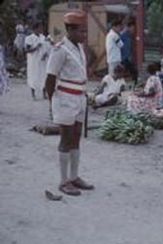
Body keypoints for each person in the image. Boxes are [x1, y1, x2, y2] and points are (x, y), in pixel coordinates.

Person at [45, 11, 94, 196]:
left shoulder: (79, 47)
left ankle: (74, 177)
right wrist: (52, 103)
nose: (84, 34)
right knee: (65, 139)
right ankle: (63, 181)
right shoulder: (60, 50)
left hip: (79, 98)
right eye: (82, 31)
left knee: (76, 138)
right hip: (65, 99)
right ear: (70, 30)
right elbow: (50, 79)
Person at [25, 22, 50, 100]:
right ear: (35, 29)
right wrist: (36, 47)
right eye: (39, 28)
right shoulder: (29, 38)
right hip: (33, 61)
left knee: (43, 76)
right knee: (33, 77)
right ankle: (33, 94)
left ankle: (44, 94)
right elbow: (27, 50)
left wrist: (45, 54)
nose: (41, 29)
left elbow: (47, 47)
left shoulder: (43, 37)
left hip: (42, 61)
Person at [120, 19, 138, 83]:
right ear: (129, 27)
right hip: (122, 58)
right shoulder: (123, 35)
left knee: (133, 71)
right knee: (133, 71)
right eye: (132, 28)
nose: (133, 30)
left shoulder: (130, 36)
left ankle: (133, 83)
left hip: (127, 58)